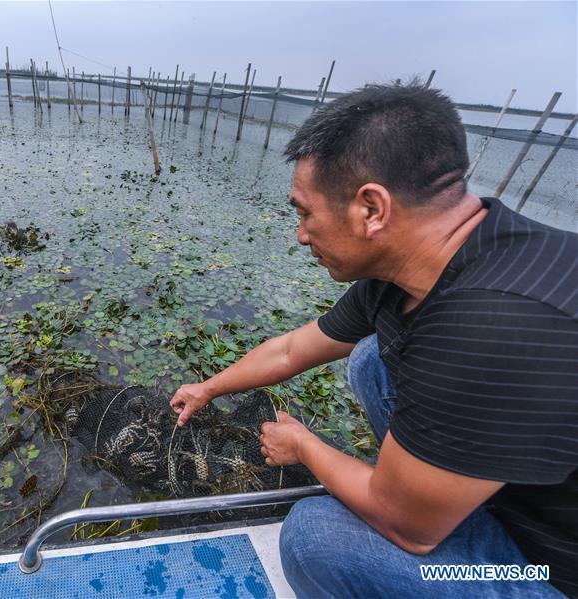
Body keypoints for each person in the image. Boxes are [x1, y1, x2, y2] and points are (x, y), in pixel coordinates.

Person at [169, 83, 577, 597]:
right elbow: (295, 348)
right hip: (510, 488)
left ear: (371, 208)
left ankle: (433, 498)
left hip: (542, 568)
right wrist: (209, 387)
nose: (300, 234)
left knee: (315, 535)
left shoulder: (491, 325)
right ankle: (439, 488)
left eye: (304, 211)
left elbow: (408, 528)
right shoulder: (431, 264)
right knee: (371, 359)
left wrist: (304, 446)